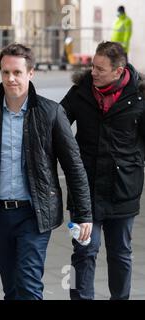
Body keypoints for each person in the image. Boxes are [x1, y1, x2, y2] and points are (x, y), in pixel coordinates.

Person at [0, 43, 92, 300]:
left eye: (17, 72)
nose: (11, 78)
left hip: (35, 213)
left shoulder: (51, 112)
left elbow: (74, 165)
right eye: (5, 72)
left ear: (31, 73)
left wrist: (84, 213)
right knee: (11, 287)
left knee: (29, 285)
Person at [61, 41, 145, 300]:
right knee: (83, 252)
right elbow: (58, 124)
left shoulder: (140, 97)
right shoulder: (80, 92)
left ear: (119, 71)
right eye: (92, 66)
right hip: (84, 190)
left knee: (121, 253)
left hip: (124, 189)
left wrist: (134, 162)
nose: (93, 72)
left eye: (100, 69)